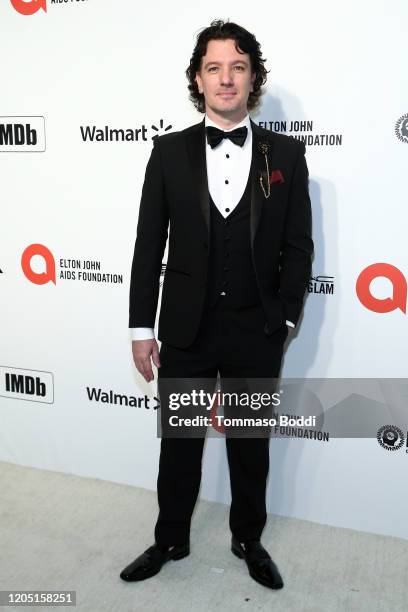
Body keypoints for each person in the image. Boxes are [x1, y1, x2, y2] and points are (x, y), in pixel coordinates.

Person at [120, 19, 313, 590]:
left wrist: (283, 316)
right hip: (185, 329)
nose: (226, 79)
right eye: (214, 67)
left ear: (253, 78)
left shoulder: (288, 154)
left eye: (238, 67)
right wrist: (140, 328)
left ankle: (248, 538)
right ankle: (170, 538)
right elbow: (147, 245)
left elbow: (299, 247)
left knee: (250, 447)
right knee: (179, 446)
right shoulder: (168, 153)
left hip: (257, 327)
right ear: (198, 80)